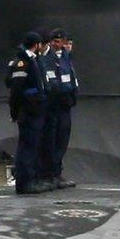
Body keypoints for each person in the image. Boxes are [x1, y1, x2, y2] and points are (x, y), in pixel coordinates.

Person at [5, 30, 50, 194]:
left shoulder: (33, 60)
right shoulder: (23, 63)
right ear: (37, 44)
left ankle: (31, 179)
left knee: (33, 146)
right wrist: (14, 112)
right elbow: (16, 90)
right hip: (28, 112)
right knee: (27, 148)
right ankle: (24, 183)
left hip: (36, 111)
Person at [40, 29, 78, 187]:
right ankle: (49, 173)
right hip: (53, 104)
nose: (58, 44)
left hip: (65, 104)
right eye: (54, 41)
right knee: (51, 139)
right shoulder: (45, 59)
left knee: (63, 138)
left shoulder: (66, 57)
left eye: (60, 41)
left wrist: (72, 97)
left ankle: (57, 172)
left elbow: (71, 78)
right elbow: (51, 81)